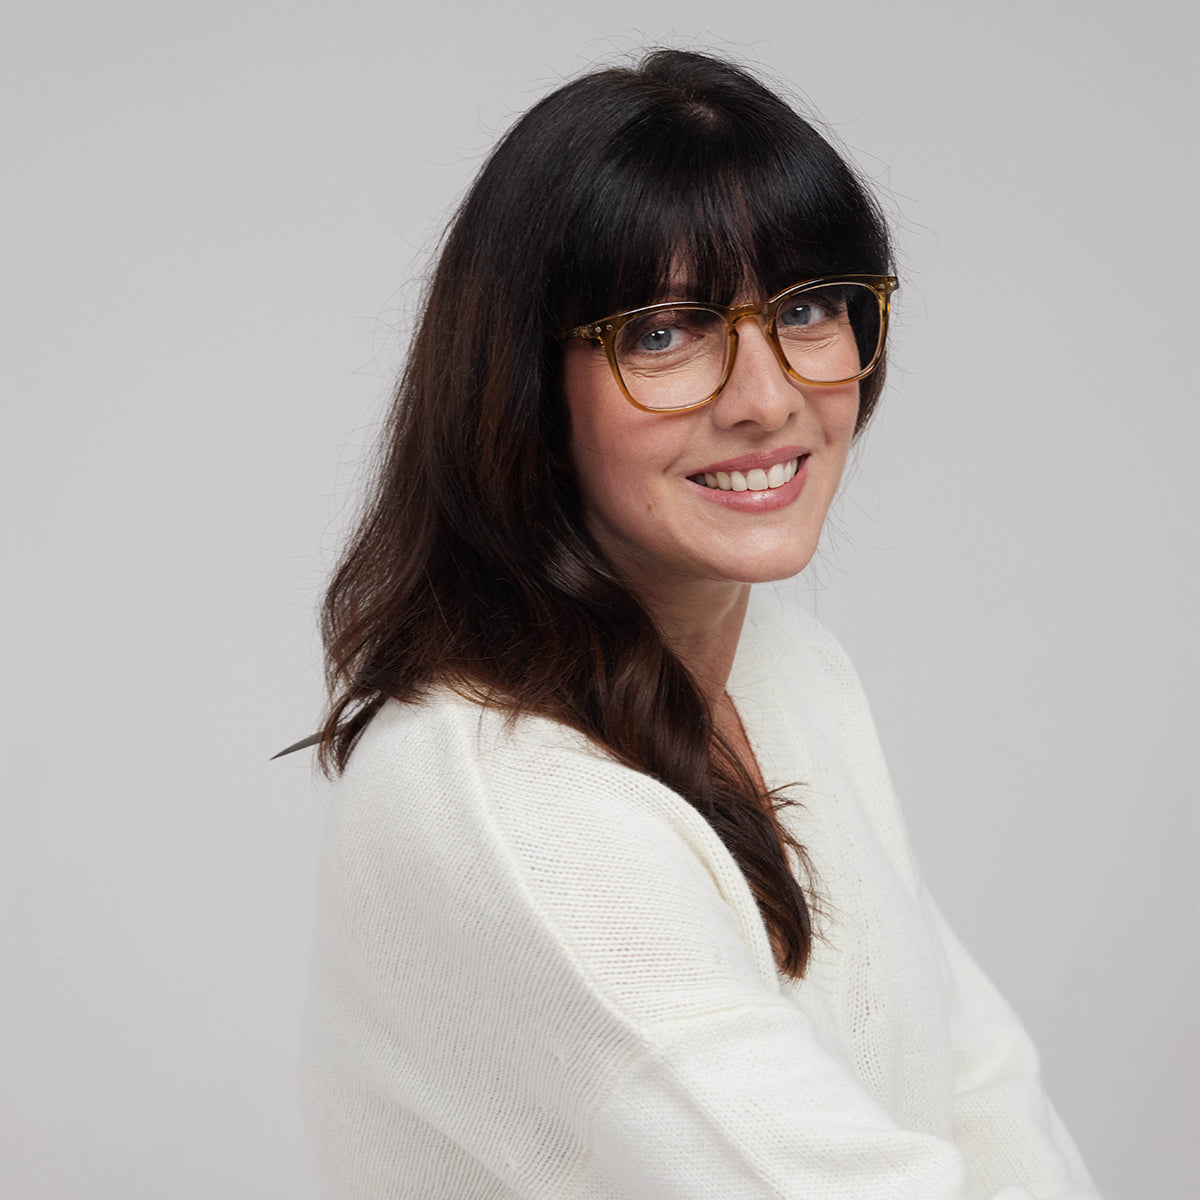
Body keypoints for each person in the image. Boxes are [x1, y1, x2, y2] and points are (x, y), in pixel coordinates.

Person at [298, 49, 1101, 1199]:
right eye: (665, 332)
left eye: (809, 309)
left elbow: (978, 1083)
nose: (767, 398)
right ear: (526, 385)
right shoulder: (509, 811)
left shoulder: (794, 670)